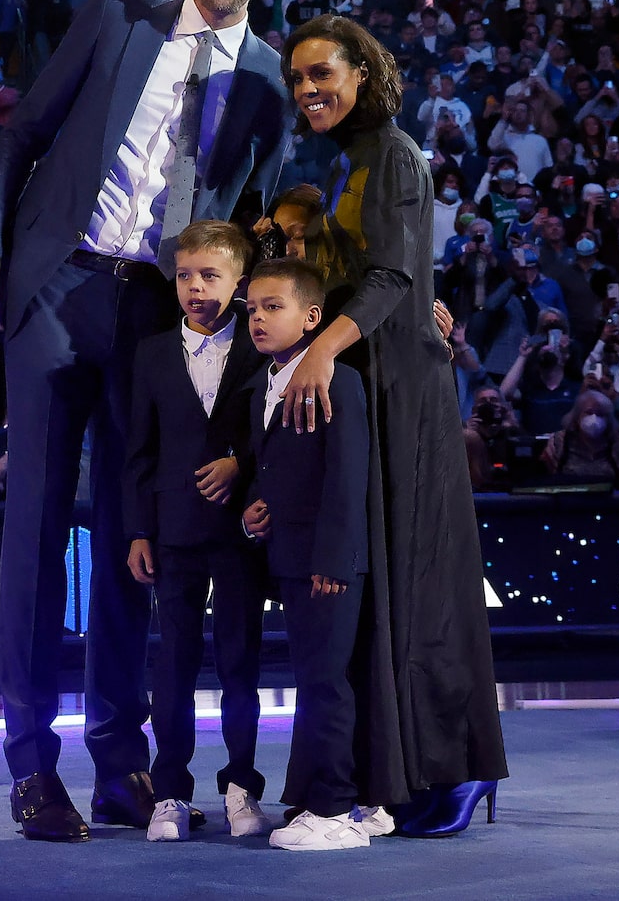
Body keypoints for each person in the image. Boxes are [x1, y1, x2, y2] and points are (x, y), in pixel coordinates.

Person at [0, 0, 294, 843]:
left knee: (128, 541)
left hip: (157, 310)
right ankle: (29, 765)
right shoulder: (116, 17)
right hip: (59, 286)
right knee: (36, 525)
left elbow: (255, 218)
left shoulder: (267, 76)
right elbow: (20, 137)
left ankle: (117, 760)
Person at [273, 15, 507, 835]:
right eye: (297, 79)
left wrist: (321, 352)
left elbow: (393, 272)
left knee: (418, 583)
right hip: (372, 375)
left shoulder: (396, 155)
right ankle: (387, 776)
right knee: (380, 582)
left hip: (401, 389)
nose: (307, 90)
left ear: (361, 75)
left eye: (321, 75)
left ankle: (453, 772)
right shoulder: (343, 163)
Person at [122, 219, 268, 842]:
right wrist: (138, 532)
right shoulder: (151, 353)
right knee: (173, 669)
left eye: (210, 275)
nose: (195, 286)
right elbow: (139, 452)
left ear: (239, 282)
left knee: (240, 665)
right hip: (173, 533)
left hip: (241, 535)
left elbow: (278, 435)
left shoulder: (262, 347)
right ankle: (170, 793)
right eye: (184, 275)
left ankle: (241, 786)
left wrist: (244, 467)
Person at [239, 258, 372, 851]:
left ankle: (337, 811)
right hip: (288, 557)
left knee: (327, 683)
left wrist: (332, 561)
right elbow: (267, 466)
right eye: (251, 310)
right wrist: (251, 507)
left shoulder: (338, 379)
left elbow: (347, 477)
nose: (258, 319)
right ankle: (312, 798)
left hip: (326, 565)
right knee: (312, 680)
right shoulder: (262, 383)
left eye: (273, 307)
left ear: (312, 316)